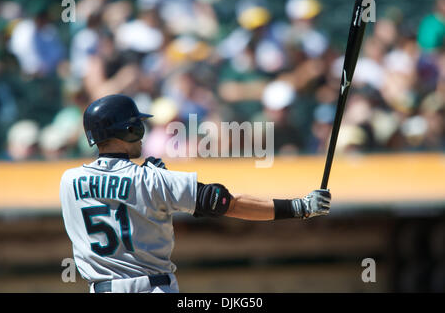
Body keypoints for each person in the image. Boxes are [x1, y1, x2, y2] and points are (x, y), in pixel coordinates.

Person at [59, 94, 331, 293]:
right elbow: (227, 204)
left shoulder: (68, 181)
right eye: (136, 127)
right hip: (151, 288)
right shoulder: (155, 179)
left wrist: (155, 183)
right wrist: (300, 207)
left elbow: (114, 193)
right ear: (128, 130)